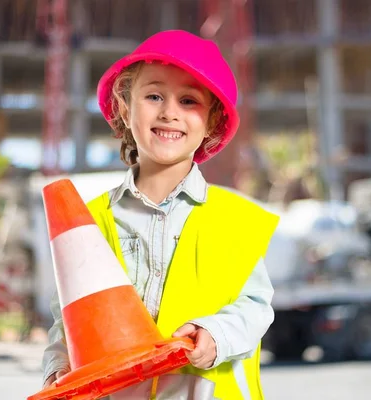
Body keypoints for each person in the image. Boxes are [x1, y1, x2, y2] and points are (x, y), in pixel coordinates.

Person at [41, 30, 279, 400]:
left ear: (212, 122)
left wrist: (214, 335)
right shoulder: (89, 222)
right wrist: (59, 370)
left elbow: (255, 308)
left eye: (189, 101)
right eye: (154, 96)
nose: (169, 112)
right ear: (125, 107)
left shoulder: (235, 219)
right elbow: (69, 320)